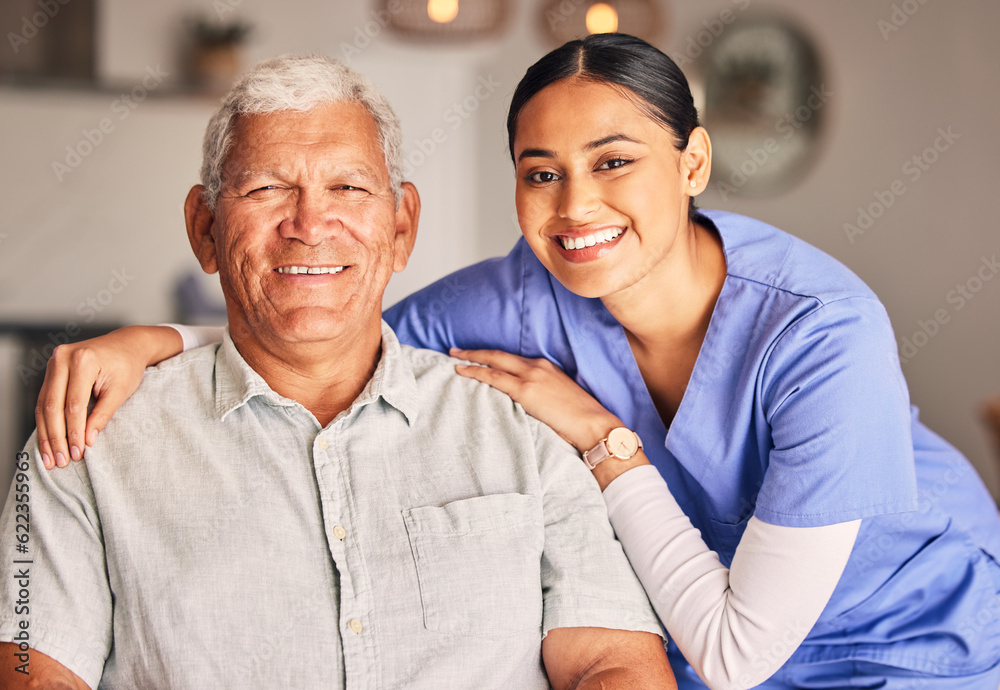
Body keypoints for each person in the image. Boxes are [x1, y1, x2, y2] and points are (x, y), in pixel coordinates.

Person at [28, 34, 1000, 689]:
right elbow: (326, 318)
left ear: (693, 163)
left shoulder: (823, 334)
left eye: (614, 161)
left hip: (908, 638)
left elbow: (735, 647)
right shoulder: (518, 299)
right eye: (542, 173)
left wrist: (604, 443)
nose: (576, 207)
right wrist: (161, 345)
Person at [0, 54, 676, 689]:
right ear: (204, 229)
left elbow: (613, 659)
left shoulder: (520, 427)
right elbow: (33, 663)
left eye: (348, 187)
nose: (309, 224)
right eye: (266, 188)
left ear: (401, 227)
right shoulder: (87, 442)